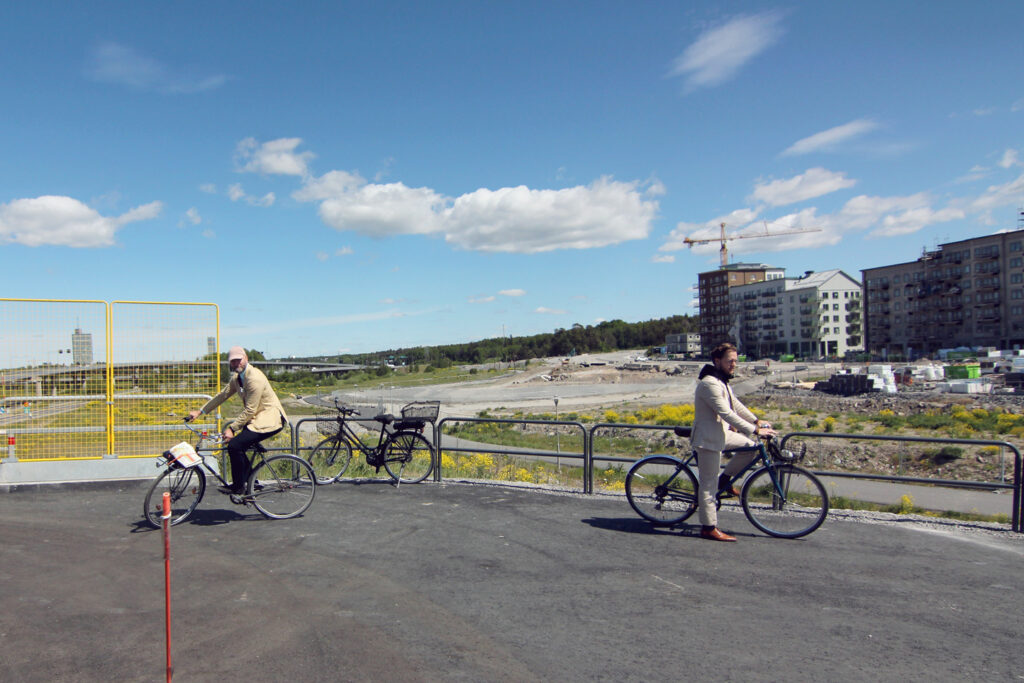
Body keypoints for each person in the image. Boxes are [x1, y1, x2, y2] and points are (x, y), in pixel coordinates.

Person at [690, 342, 776, 542]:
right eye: (730, 361)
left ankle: (726, 480)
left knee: (750, 447)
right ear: (717, 361)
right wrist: (755, 430)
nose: (733, 365)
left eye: (735, 361)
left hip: (722, 433)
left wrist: (756, 420)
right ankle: (709, 527)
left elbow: (735, 404)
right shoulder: (709, 383)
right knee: (708, 485)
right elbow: (726, 412)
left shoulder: (722, 381)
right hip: (709, 438)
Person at [188, 346, 288, 495]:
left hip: (270, 419)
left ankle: (238, 487)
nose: (236, 364)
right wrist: (200, 411)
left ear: (246, 358)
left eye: (238, 360)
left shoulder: (254, 378)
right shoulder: (238, 378)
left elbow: (250, 409)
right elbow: (222, 395)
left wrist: (232, 428)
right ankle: (252, 484)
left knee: (234, 446)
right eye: (233, 362)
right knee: (238, 446)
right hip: (257, 419)